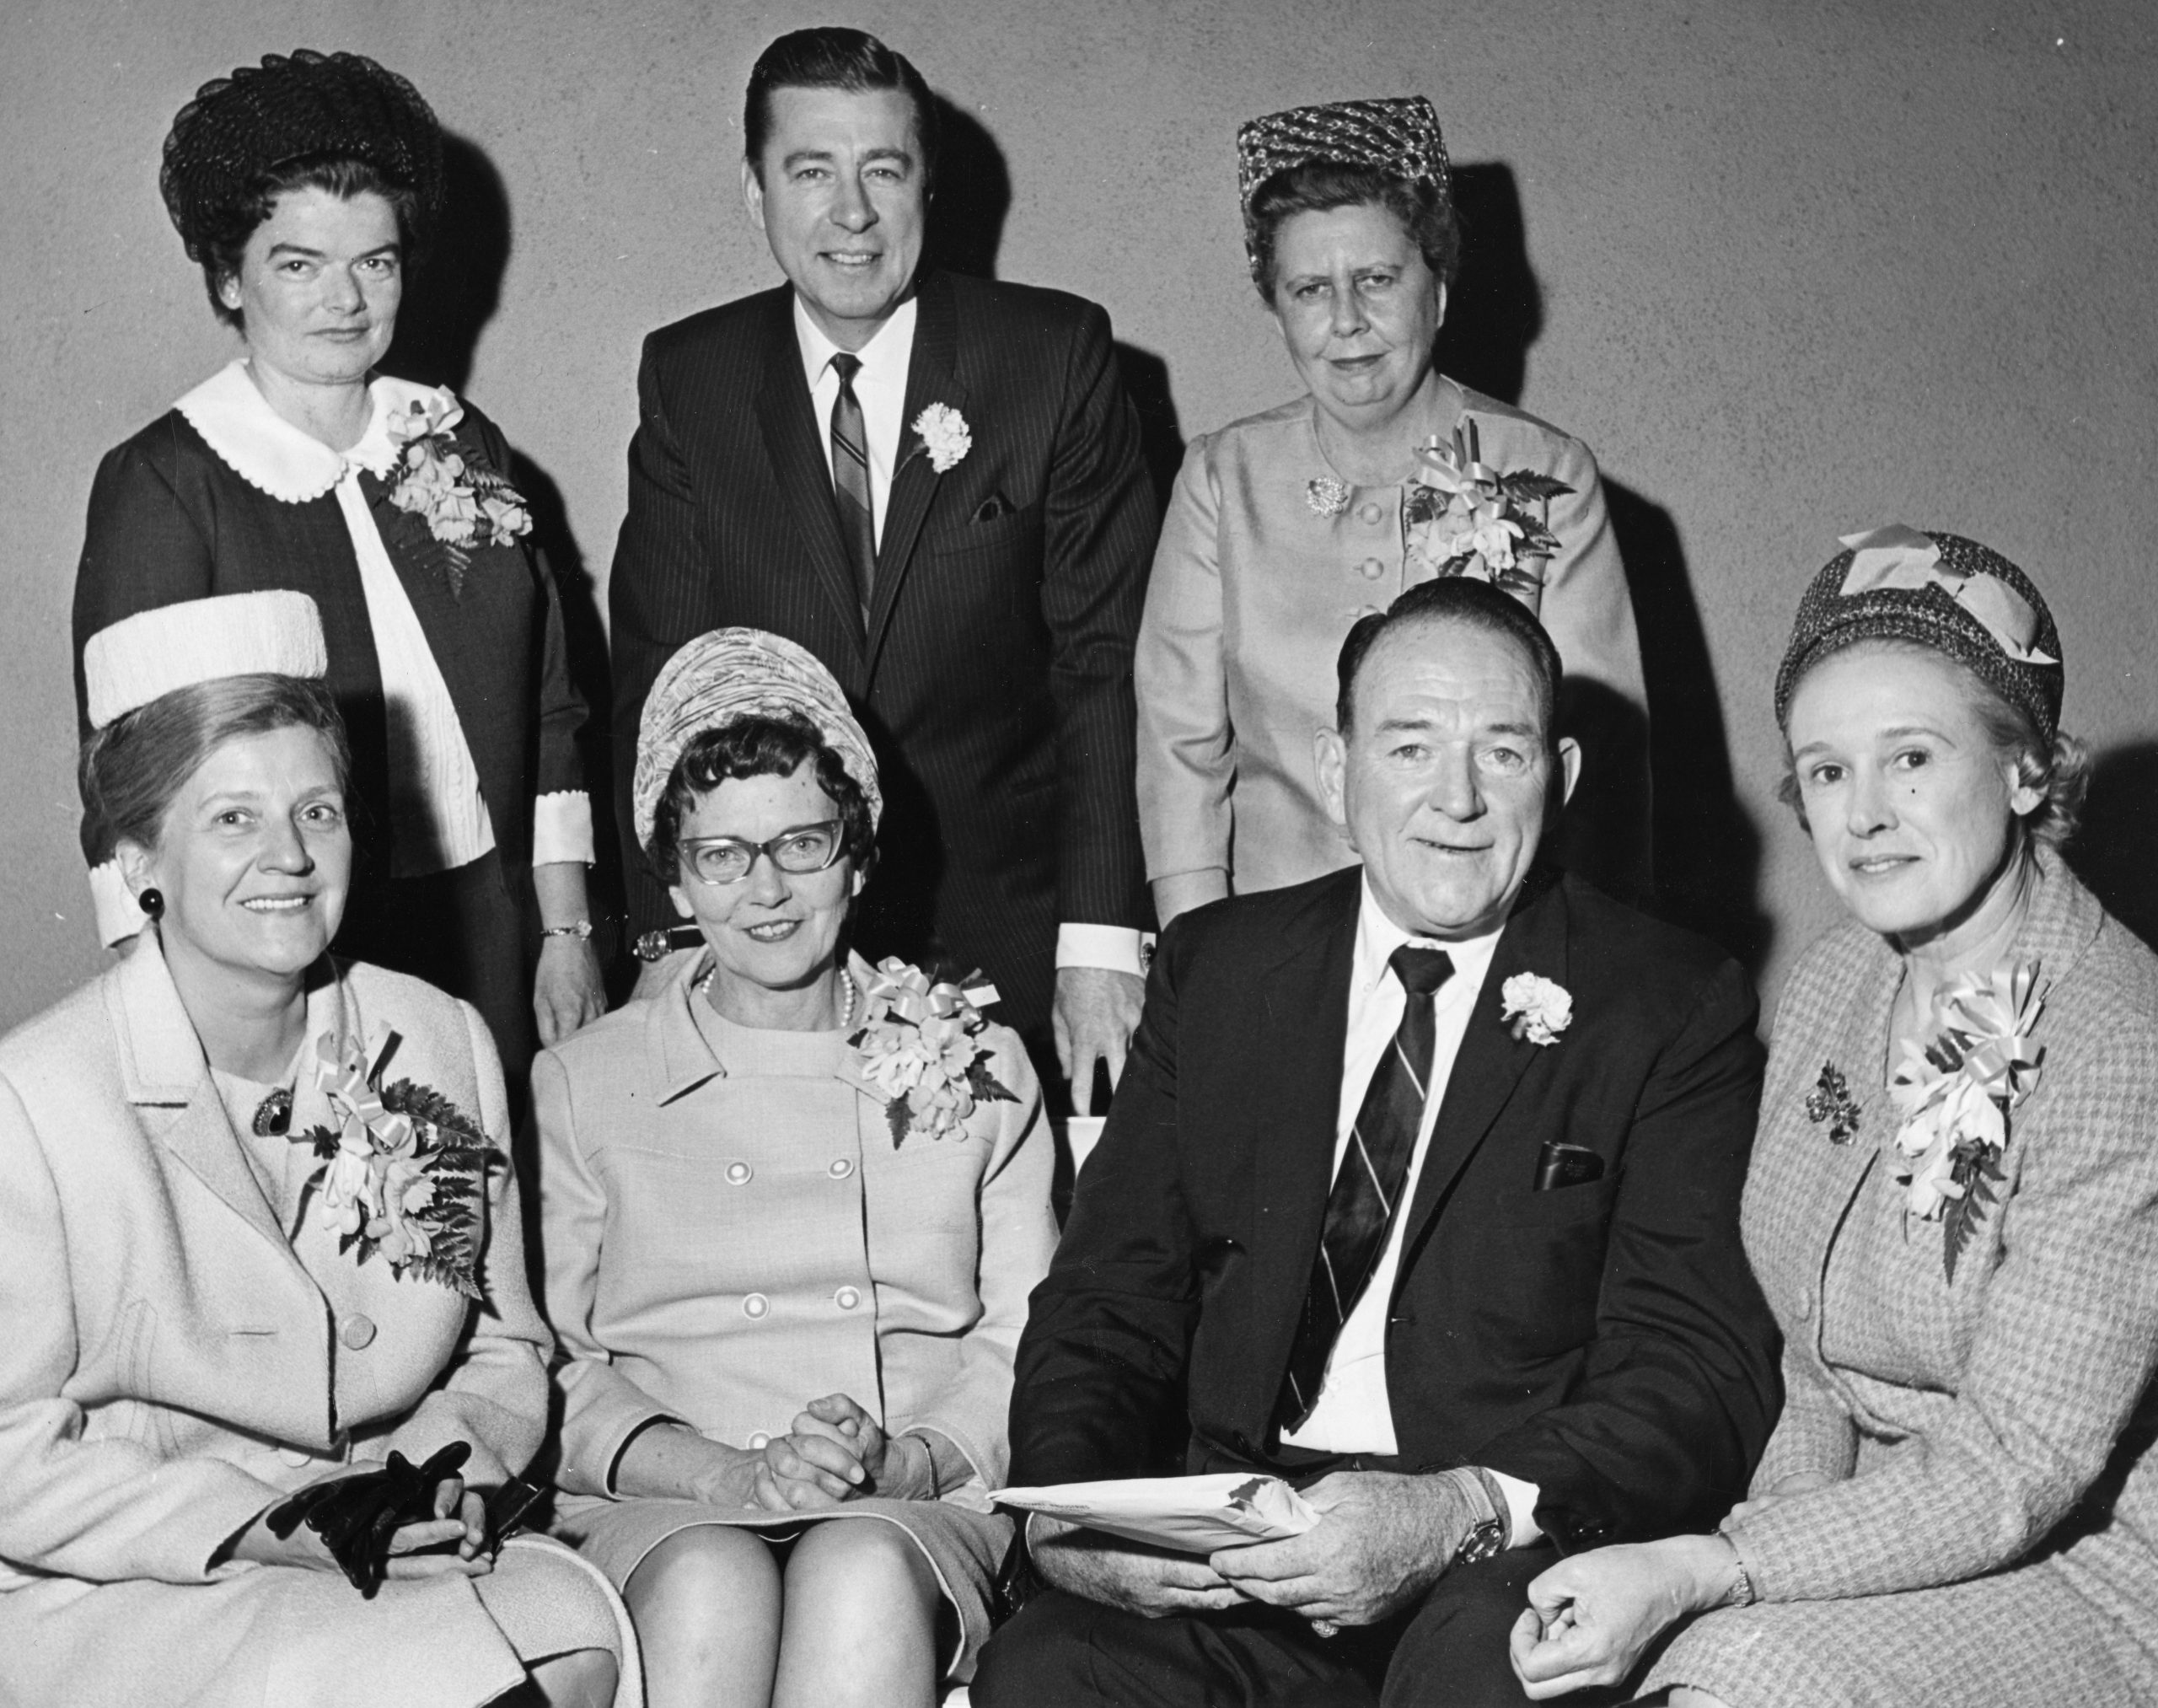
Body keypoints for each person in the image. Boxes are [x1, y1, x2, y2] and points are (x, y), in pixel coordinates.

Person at [974, 577, 1777, 1708]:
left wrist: (1458, 1509)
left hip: (1491, 1549)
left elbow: (1697, 1365)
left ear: (1564, 775)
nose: (1457, 797)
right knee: (1048, 1668)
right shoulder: (1220, 971)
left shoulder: (1666, 1003)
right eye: (1410, 747)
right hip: (1243, 1540)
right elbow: (1108, 1296)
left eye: (1502, 751)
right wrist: (1070, 1507)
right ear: (1337, 767)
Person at [1508, 528, 2158, 1707]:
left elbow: (2018, 1464)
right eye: (1825, 769)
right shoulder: (1836, 981)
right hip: (1880, 1527)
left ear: (2024, 770)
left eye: (1910, 756)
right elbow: (1817, 1374)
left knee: (1736, 1672)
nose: (1863, 814)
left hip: (2100, 1560)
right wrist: (1751, 1564)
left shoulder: (2122, 1047)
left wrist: (1720, 1571)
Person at [0, 591, 631, 1707]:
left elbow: (500, 1344)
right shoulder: (34, 1098)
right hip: (132, 1578)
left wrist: (429, 1475)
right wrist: (259, 1519)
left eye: (320, 811)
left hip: (384, 1544)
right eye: (233, 818)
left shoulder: (439, 1040)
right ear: (140, 852)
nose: (289, 856)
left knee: (574, 1628)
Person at [607, 27, 1157, 1107]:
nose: (849, 212)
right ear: (756, 195)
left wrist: (1100, 940)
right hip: (771, 936)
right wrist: (674, 927)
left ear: (927, 189)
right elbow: (658, 676)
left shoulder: (1051, 356)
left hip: (1015, 927)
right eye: (810, 171)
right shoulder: (690, 376)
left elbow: (1108, 664)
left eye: (882, 171)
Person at [538, 627, 1059, 1707]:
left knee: (859, 1564)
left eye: (802, 845)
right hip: (669, 1495)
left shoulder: (980, 1059)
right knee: (713, 1576)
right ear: (676, 877)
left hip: (911, 1494)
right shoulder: (586, 1081)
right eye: (722, 855)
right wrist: (723, 1474)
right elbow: (556, 1367)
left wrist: (909, 1461)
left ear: (858, 853)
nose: (765, 891)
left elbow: (1029, 1341)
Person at [73, 48, 604, 1093]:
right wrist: (169, 1016)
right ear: (231, 277)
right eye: (299, 263)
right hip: (290, 951)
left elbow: (552, 708)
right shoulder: (169, 479)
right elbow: (125, 781)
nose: (346, 300)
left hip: (496, 928)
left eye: (376, 261)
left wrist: (567, 926)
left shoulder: (457, 442)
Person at [1136, 96, 1649, 927]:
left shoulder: (1547, 471)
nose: (1346, 321)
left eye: (1376, 280)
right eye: (1309, 289)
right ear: (1277, 312)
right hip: (1275, 944)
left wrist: (1576, 976)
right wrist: (1201, 963)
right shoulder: (1221, 478)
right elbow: (1180, 753)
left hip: (1498, 939)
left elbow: (1605, 775)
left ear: (1436, 290)